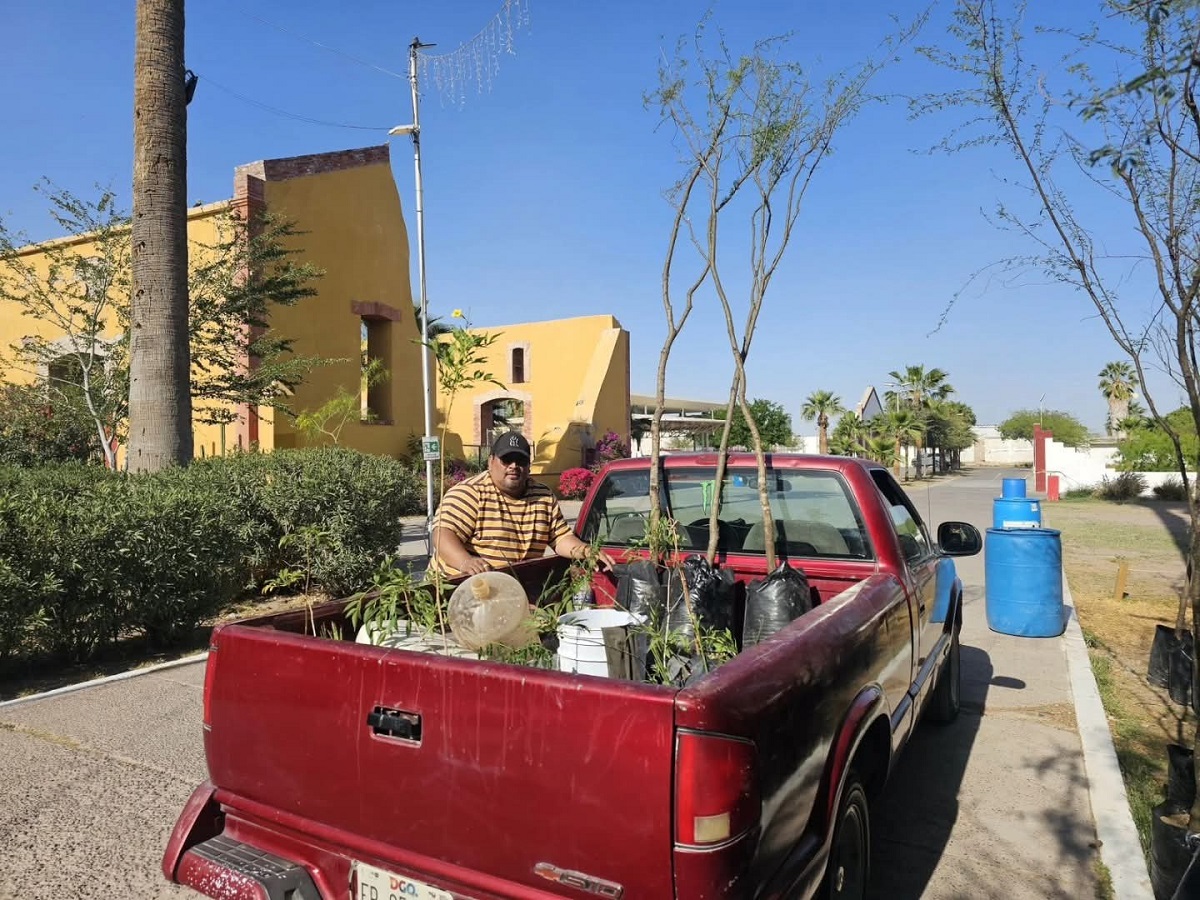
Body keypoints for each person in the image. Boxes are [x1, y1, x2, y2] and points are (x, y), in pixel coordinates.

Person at [429, 431, 615, 577]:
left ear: (529, 465)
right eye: (506, 459)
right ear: (490, 462)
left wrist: (587, 551)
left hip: (511, 589)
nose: (514, 466)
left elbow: (559, 538)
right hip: (458, 589)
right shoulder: (470, 493)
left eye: (521, 460)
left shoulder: (543, 496)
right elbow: (442, 534)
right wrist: (466, 562)